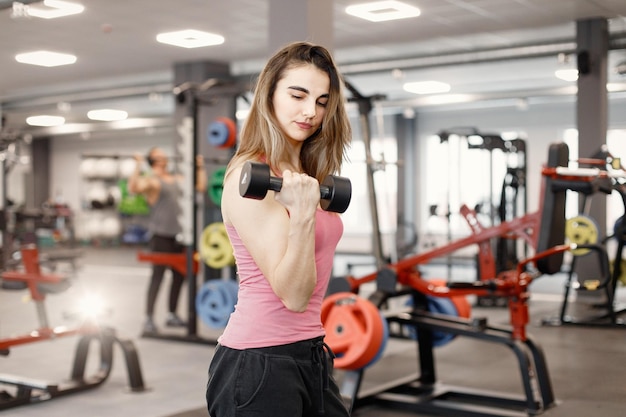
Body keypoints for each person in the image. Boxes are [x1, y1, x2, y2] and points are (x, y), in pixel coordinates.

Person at [206, 42, 352, 417]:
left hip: (311, 353)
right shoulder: (249, 175)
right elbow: (294, 295)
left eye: (322, 101)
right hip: (259, 363)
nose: (311, 111)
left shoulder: (304, 175)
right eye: (298, 95)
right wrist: (303, 215)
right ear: (269, 95)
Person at [128, 147, 207, 334]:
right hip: (161, 235)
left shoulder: (177, 178)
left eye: (164, 153)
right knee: (158, 277)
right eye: (160, 154)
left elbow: (201, 187)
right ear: (153, 159)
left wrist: (200, 167)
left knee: (180, 275)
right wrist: (138, 164)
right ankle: (148, 318)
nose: (164, 156)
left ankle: (172, 314)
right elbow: (133, 188)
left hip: (180, 235)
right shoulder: (152, 181)